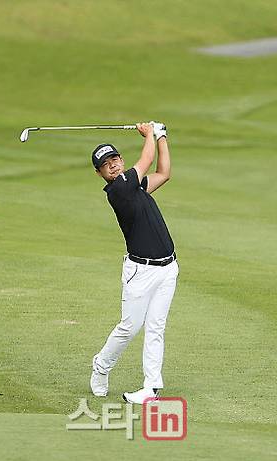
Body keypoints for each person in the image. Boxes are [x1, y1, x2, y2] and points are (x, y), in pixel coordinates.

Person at [90, 121, 179, 404]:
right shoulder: (118, 191)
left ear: (121, 159)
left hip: (168, 268)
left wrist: (162, 137)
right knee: (130, 327)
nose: (112, 165)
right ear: (100, 173)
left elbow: (163, 173)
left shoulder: (135, 186)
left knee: (156, 328)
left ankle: (151, 388)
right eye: (106, 165)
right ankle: (101, 366)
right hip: (140, 272)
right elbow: (147, 158)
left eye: (114, 159)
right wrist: (150, 133)